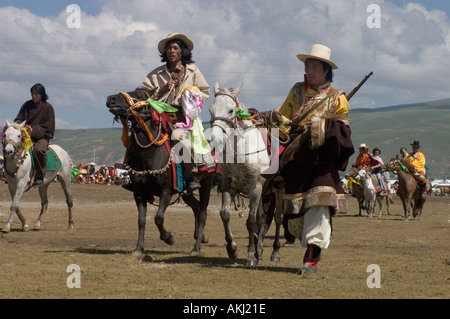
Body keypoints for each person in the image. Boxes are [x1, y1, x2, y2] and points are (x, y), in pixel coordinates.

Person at [272, 44, 354, 275]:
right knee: (296, 212)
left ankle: (311, 260)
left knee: (318, 207)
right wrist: (277, 119)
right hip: (297, 156)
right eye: (307, 66)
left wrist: (321, 125)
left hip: (322, 161)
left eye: (314, 66)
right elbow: (285, 118)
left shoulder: (337, 98)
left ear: (326, 70)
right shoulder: (296, 91)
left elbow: (344, 134)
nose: (309, 70)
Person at [141, 32, 210, 191]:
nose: (171, 51)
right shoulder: (155, 74)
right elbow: (144, 95)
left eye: (175, 48)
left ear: (182, 51)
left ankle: (189, 176)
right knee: (137, 138)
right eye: (168, 48)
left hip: (181, 119)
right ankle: (136, 175)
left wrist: (192, 94)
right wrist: (161, 90)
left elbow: (205, 91)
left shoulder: (192, 70)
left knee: (182, 140)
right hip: (157, 119)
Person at [14, 83, 55, 185]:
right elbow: (18, 119)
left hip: (41, 137)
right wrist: (21, 126)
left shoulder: (48, 108)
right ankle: (11, 174)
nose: (33, 95)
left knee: (38, 150)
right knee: (12, 147)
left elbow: (48, 127)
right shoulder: (26, 105)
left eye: (36, 93)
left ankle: (40, 175)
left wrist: (33, 130)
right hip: (25, 136)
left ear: (42, 94)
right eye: (32, 93)